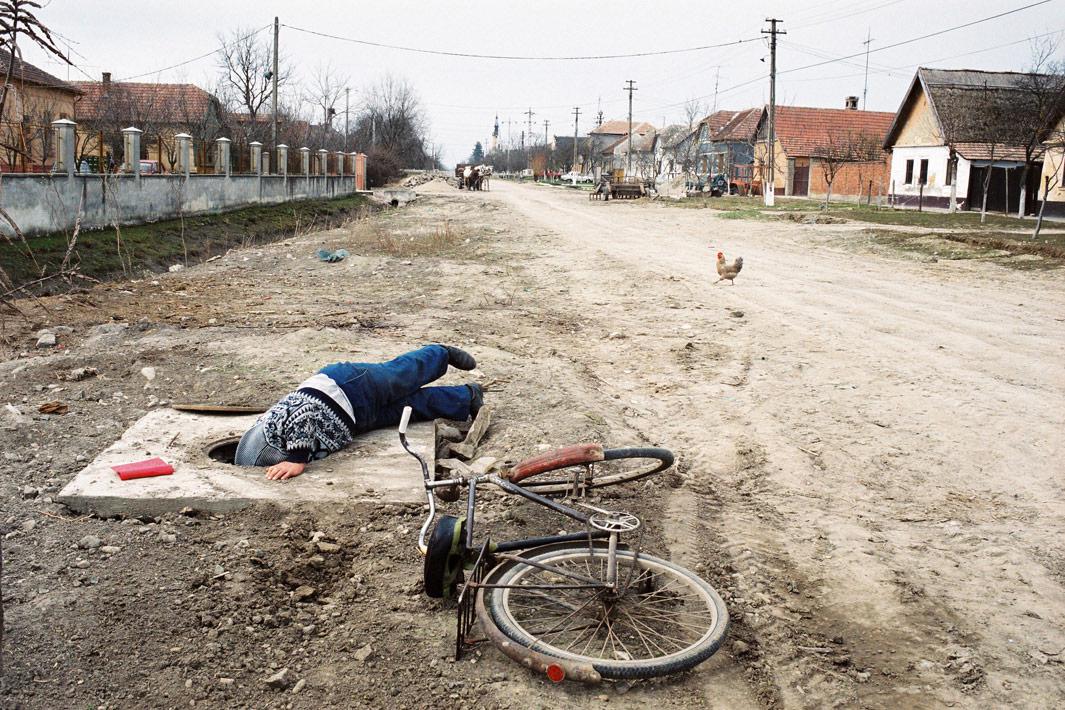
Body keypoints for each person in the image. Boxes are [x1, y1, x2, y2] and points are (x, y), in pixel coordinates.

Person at [234, 345, 483, 481]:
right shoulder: (264, 446)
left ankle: (440, 353)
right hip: (354, 420)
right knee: (413, 407)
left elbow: (305, 410)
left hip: (345, 386)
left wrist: (297, 459)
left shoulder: (269, 431)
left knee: (399, 375)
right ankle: (468, 396)